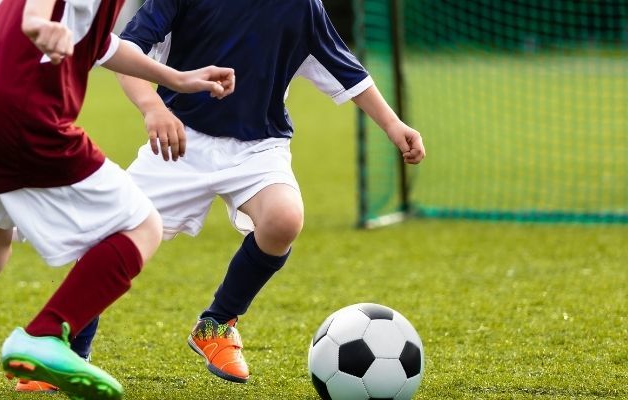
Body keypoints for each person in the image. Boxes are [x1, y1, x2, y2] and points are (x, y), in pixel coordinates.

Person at [25, 0, 426, 388]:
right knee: (107, 236)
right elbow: (126, 51)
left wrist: (394, 126)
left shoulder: (303, 6)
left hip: (258, 148)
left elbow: (347, 72)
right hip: (180, 141)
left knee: (284, 218)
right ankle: (70, 351)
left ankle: (217, 323)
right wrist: (153, 107)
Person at [0, 0, 235, 398]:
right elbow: (40, 12)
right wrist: (36, 21)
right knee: (142, 225)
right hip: (21, 118)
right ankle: (46, 334)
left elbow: (101, 45)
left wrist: (178, 79)